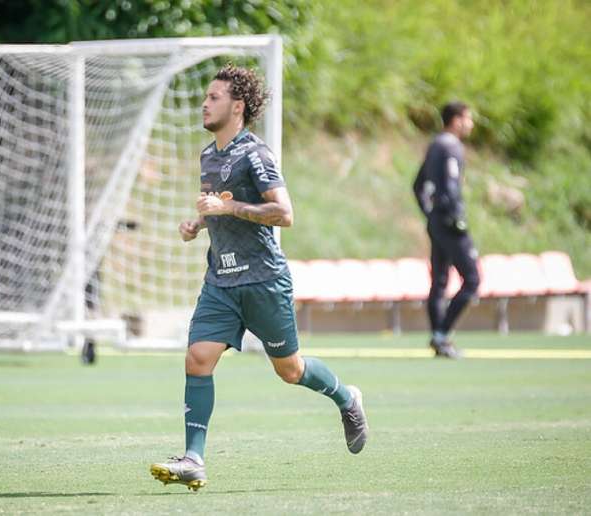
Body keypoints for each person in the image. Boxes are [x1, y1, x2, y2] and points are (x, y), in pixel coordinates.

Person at [149, 65, 368, 491]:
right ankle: (194, 458)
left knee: (289, 370)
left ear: (237, 106)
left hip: (264, 280)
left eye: (213, 97)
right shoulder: (208, 155)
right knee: (197, 357)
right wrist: (199, 224)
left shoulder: (256, 154)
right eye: (206, 96)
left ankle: (346, 397)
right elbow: (220, 205)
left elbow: (284, 214)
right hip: (221, 281)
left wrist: (225, 210)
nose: (204, 103)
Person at [412, 101, 480, 359]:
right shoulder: (450, 146)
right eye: (468, 118)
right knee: (472, 279)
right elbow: (450, 187)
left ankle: (439, 338)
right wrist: (454, 218)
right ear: (457, 120)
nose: (471, 124)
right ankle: (442, 334)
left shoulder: (434, 144)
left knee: (439, 281)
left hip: (436, 223)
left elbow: (417, 186)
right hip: (450, 223)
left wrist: (430, 214)